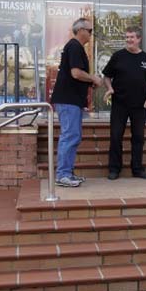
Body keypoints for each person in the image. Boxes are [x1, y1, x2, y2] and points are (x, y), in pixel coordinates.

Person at [50, 18, 103, 187]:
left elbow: (77, 74)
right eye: (90, 30)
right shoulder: (74, 46)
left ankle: (67, 173)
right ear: (81, 30)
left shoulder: (75, 47)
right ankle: (63, 174)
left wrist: (89, 82)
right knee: (70, 135)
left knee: (74, 135)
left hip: (72, 100)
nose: (91, 34)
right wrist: (93, 78)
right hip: (68, 100)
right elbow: (75, 73)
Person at [103, 28, 146, 180]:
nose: (128, 40)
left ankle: (137, 169)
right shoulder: (118, 56)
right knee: (115, 136)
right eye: (127, 37)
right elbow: (106, 76)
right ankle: (114, 169)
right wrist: (109, 88)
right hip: (119, 104)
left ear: (139, 39)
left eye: (132, 37)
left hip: (140, 106)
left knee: (138, 137)